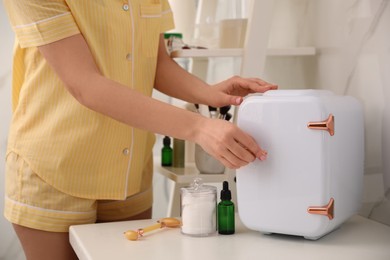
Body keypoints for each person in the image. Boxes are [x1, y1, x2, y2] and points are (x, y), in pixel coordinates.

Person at [2, 1, 277, 259]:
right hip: (55, 171)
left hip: (128, 171)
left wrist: (211, 94)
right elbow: (84, 84)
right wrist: (199, 128)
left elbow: (156, 63)